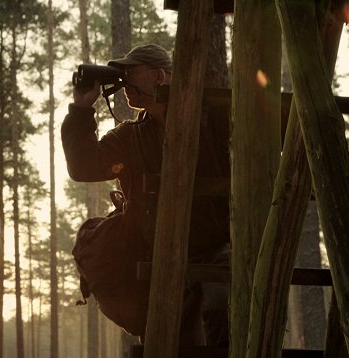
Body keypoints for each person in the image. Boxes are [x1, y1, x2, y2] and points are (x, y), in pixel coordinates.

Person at [61, 43, 230, 347]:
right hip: (159, 256)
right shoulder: (130, 137)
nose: (124, 83)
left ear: (161, 76)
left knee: (221, 310)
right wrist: (82, 108)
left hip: (216, 246)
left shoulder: (211, 117)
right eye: (121, 76)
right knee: (167, 336)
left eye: (131, 73)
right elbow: (83, 166)